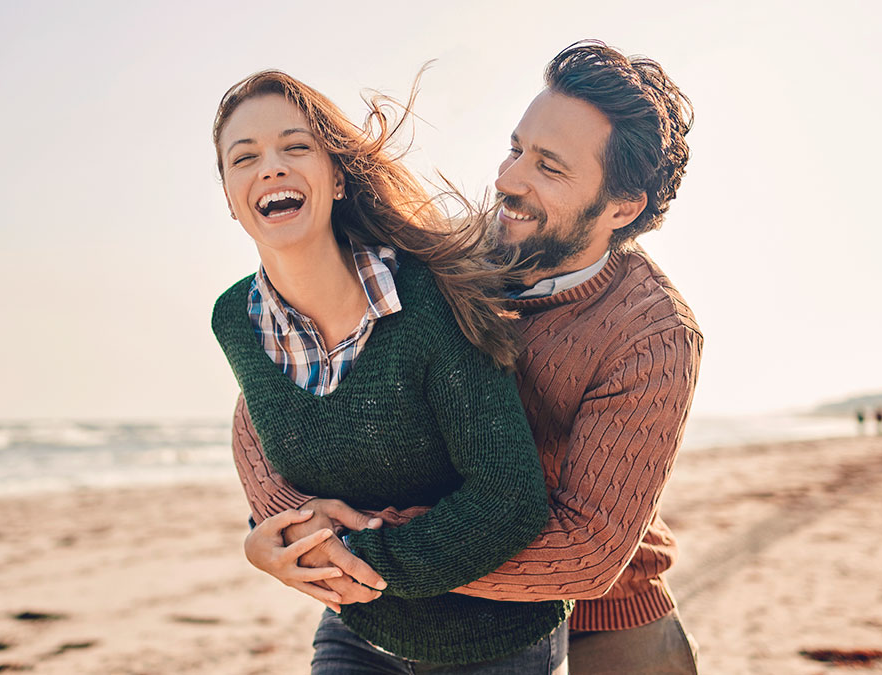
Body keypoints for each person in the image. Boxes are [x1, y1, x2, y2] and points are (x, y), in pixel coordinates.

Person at [235, 41, 703, 674]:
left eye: (550, 168)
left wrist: (368, 546)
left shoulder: (651, 336)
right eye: (517, 149)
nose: (508, 180)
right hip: (407, 594)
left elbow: (589, 550)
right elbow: (279, 385)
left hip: (608, 608)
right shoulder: (444, 261)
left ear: (622, 208)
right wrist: (289, 530)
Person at [210, 70, 570, 671]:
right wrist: (262, 545)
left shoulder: (429, 299)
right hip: (358, 630)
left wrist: (363, 560)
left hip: (493, 640)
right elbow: (285, 471)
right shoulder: (235, 321)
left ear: (338, 178)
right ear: (228, 197)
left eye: (296, 147)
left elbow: (510, 499)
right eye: (243, 158)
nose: (270, 167)